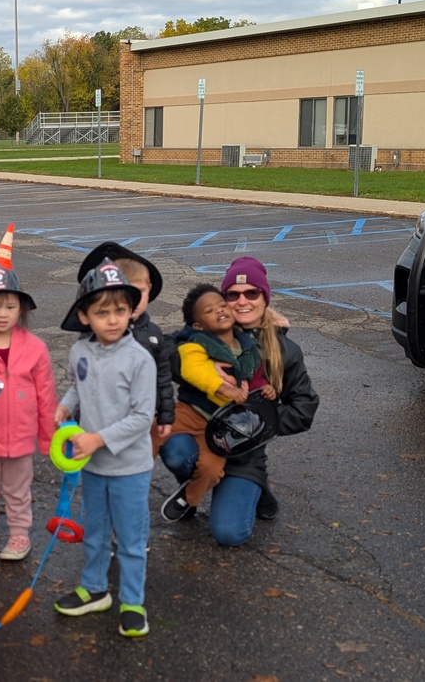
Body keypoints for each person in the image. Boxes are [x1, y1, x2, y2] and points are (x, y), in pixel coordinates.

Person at [158, 256, 319, 546]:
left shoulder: (285, 351)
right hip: (199, 436)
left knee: (228, 534)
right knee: (175, 452)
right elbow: (165, 347)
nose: (242, 301)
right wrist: (201, 372)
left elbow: (304, 408)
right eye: (233, 294)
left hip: (244, 453)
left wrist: (256, 421)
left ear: (264, 297)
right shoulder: (207, 330)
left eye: (251, 293)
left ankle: (257, 488)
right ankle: (194, 489)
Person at [52, 258, 157, 639]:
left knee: (131, 540)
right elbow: (78, 388)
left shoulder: (139, 359)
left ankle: (132, 601)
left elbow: (143, 416)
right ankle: (95, 589)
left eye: (120, 310)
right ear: (84, 316)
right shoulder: (80, 352)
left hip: (129, 468)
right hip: (93, 466)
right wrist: (66, 405)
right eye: (102, 312)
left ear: (131, 312)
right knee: (94, 532)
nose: (112, 320)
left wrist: (97, 438)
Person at [0, 225, 57, 561]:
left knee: (18, 493)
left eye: (9, 306)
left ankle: (19, 536)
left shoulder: (35, 348)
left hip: (21, 439)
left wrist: (48, 439)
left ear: (21, 310)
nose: (2, 313)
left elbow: (46, 396)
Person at [154, 284, 275, 523]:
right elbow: (193, 369)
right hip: (191, 412)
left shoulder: (248, 347)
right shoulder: (197, 342)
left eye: (221, 305)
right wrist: (223, 387)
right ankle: (129, 474)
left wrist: (264, 390)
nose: (220, 310)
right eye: (210, 310)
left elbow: (254, 378)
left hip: (221, 428)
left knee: (212, 469)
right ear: (198, 325)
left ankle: (188, 499)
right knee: (155, 429)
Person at [76, 242, 175, 438]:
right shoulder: (94, 334)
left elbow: (162, 377)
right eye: (127, 293)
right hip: (102, 416)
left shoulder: (153, 334)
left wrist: (166, 415)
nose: (134, 301)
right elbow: (83, 380)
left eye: (140, 292)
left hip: (144, 416)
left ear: (150, 288)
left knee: (139, 459)